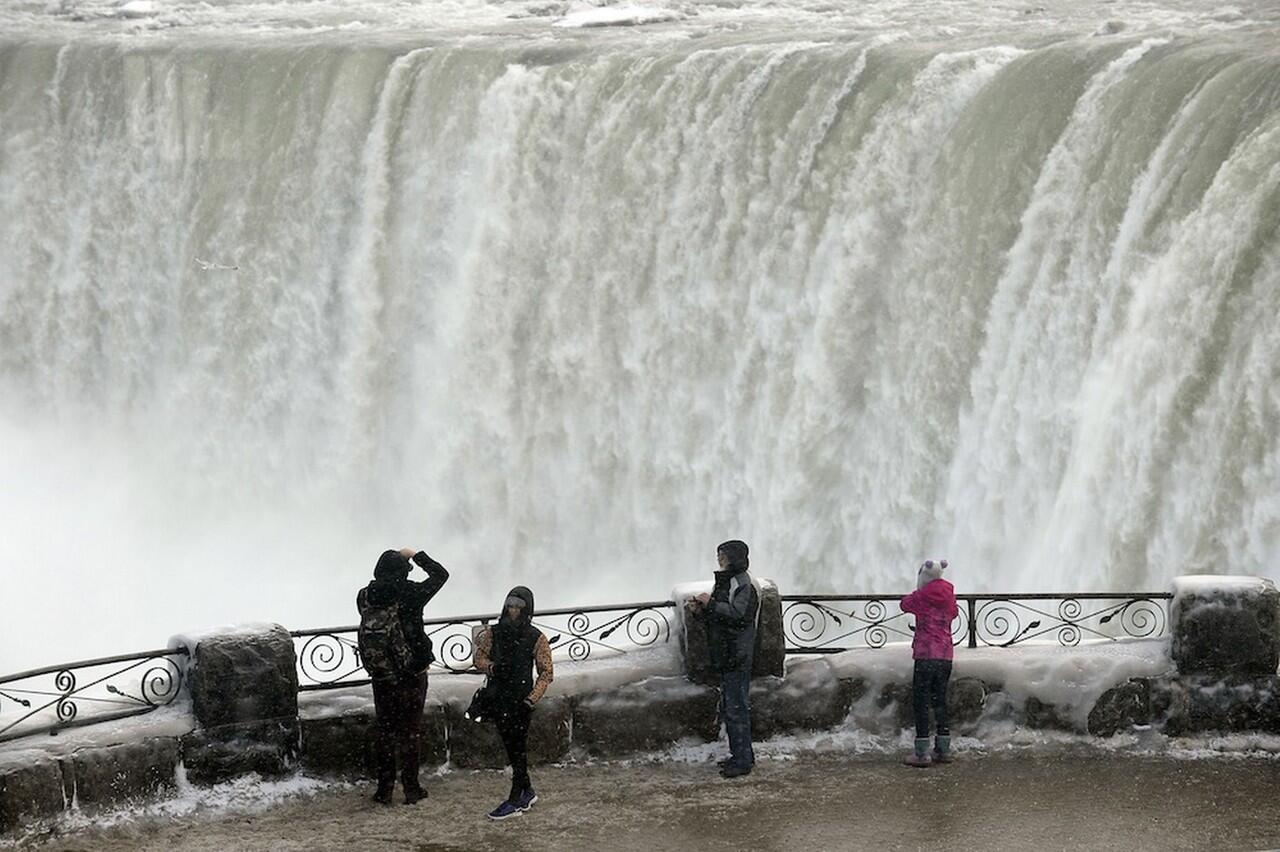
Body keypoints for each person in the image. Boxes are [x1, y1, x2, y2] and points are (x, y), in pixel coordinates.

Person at [356, 547, 450, 804]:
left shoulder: (364, 596)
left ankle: (384, 790)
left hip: (382, 674)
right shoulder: (412, 593)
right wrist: (416, 554)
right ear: (403, 571)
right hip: (411, 673)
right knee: (410, 731)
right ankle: (411, 789)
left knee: (386, 732)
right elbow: (441, 575)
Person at [473, 586, 554, 820]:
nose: (513, 610)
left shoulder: (536, 637)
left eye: (519, 606)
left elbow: (546, 672)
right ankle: (527, 791)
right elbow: (479, 658)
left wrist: (532, 698)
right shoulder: (494, 632)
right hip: (498, 698)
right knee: (511, 747)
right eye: (510, 605)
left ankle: (515, 799)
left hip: (521, 701)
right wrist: (493, 667)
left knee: (517, 749)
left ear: (527, 609)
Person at [691, 539, 759, 779]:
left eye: (723, 555)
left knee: (737, 708)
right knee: (732, 708)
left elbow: (739, 616)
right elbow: (721, 616)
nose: (719, 559)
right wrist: (702, 610)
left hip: (737, 654)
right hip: (727, 652)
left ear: (734, 557)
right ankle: (738, 755)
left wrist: (711, 604)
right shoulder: (728, 581)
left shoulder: (742, 583)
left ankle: (743, 760)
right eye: (718, 554)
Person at [899, 558, 957, 767]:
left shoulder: (921, 597)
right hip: (945, 655)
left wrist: (919, 589)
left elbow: (904, 604)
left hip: (925, 656)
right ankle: (943, 749)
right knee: (940, 700)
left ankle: (922, 753)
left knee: (921, 702)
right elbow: (955, 613)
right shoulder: (949, 596)